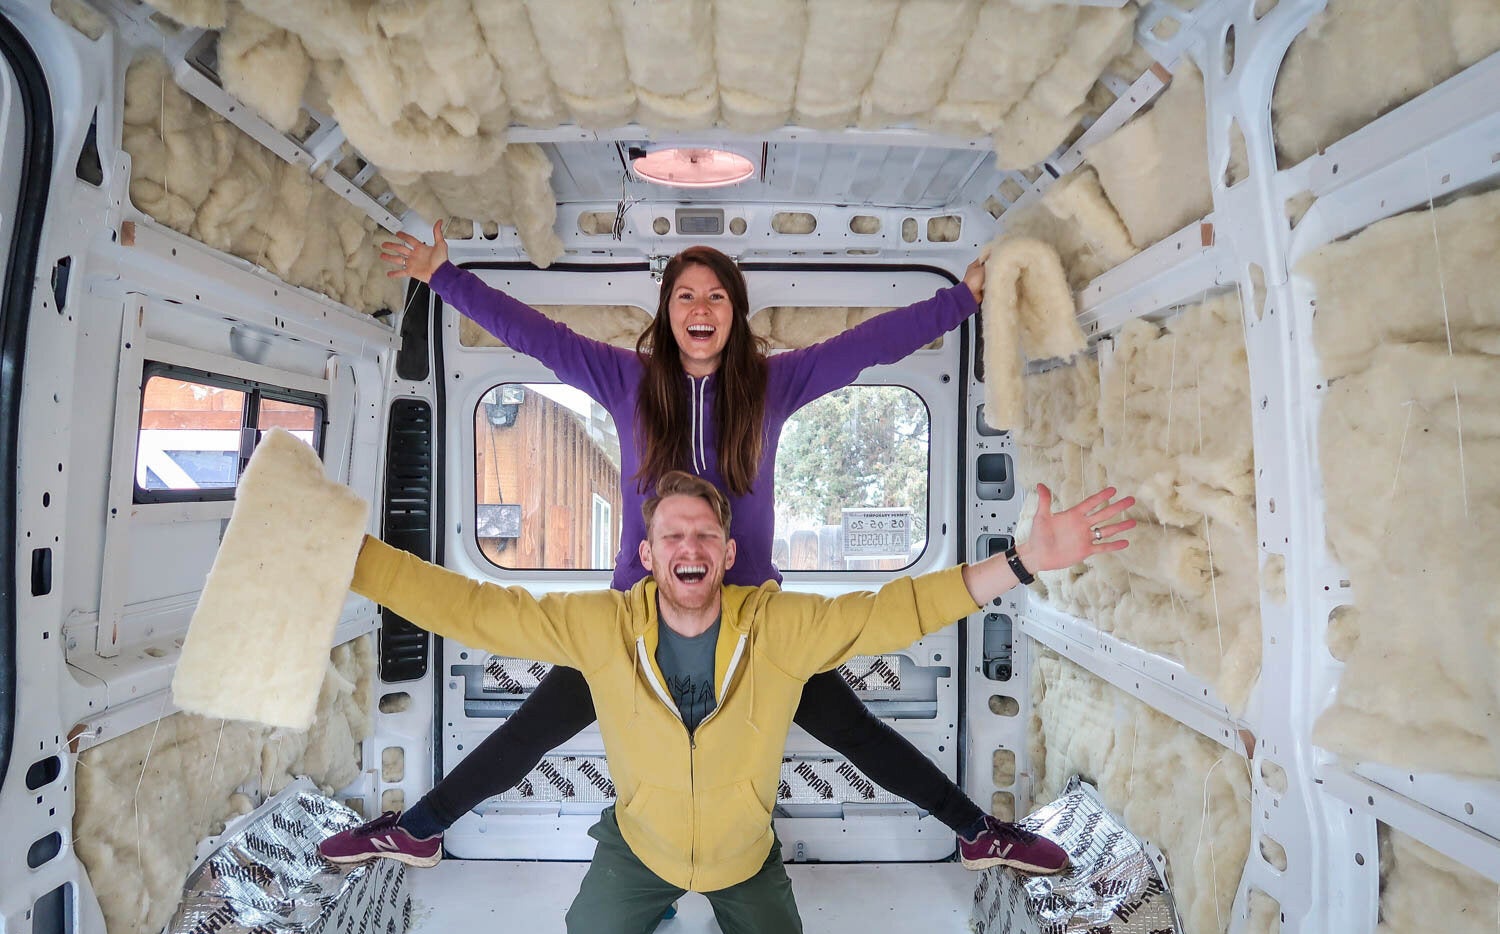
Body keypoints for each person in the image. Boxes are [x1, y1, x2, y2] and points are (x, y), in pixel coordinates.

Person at [321, 222, 1043, 871]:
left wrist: (963, 301)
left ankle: (978, 833)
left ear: (735, 311)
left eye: (718, 296)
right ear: (668, 314)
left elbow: (867, 346)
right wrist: (444, 278)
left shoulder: (772, 383)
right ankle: (419, 830)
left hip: (754, 625)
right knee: (527, 732)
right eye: (687, 296)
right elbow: (534, 336)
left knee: (858, 734)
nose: (702, 310)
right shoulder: (627, 379)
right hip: (636, 619)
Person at [329, 471, 1136, 934]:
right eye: (672, 536)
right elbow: (470, 608)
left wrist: (1022, 563)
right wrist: (344, 552)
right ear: (646, 555)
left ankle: (973, 832)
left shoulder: (779, 627)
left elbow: (900, 610)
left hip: (745, 857)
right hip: (637, 853)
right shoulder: (598, 628)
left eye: (704, 536)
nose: (689, 547)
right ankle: (426, 830)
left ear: (729, 553)